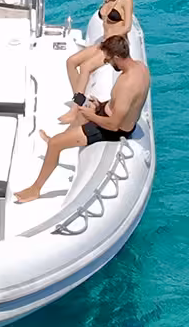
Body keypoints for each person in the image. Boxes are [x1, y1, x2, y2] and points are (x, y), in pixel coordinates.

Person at [15, 34, 149, 203]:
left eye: (108, 60)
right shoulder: (141, 68)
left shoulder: (126, 83)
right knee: (83, 107)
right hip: (112, 114)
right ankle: (65, 134)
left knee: (56, 143)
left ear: (117, 57)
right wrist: (100, 106)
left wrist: (91, 116)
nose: (107, 62)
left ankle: (35, 189)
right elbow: (125, 105)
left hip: (113, 130)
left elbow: (114, 125)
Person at [65, 0, 138, 105]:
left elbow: (127, 27)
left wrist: (109, 41)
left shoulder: (127, 0)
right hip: (104, 44)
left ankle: (77, 108)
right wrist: (106, 0)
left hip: (115, 47)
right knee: (71, 62)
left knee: (85, 68)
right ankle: (80, 100)